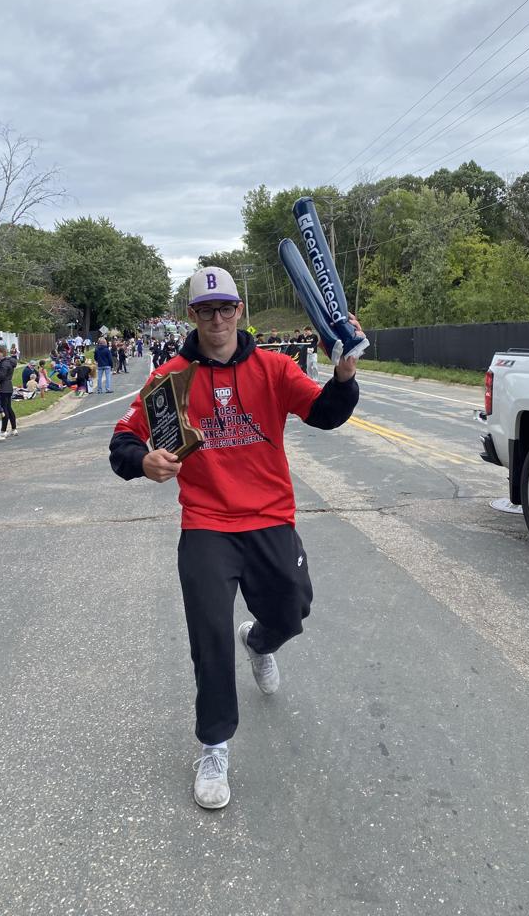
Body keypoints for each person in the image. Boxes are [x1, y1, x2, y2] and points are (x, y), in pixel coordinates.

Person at [108, 266, 361, 811]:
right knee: (209, 636)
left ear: (239, 310)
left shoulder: (274, 367)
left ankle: (261, 642)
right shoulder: (171, 377)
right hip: (207, 524)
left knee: (292, 610)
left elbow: (325, 414)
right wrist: (143, 461)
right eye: (206, 311)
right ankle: (214, 745)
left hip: (270, 517)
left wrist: (344, 377)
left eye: (225, 308)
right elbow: (123, 440)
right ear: (192, 315)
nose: (217, 319)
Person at [0, 345, 18, 437]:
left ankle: (3, 430)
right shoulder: (8, 362)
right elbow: (1, 374)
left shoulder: (4, 363)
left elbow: (1, 377)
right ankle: (14, 429)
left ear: (2, 353)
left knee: (4, 409)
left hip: (3, 388)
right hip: (8, 387)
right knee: (9, 408)